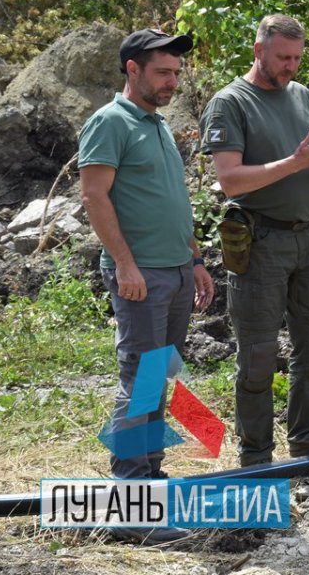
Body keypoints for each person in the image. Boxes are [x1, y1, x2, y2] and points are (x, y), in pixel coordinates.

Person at [78, 28, 215, 544]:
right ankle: (131, 504)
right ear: (132, 70)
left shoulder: (155, 123)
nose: (172, 82)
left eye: (177, 73)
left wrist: (195, 260)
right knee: (140, 381)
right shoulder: (109, 122)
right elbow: (95, 198)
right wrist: (126, 266)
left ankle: (150, 482)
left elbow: (170, 199)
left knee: (160, 375)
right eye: (163, 72)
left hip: (175, 271)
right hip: (141, 276)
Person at [199, 14, 309, 465]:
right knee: (259, 355)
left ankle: (307, 440)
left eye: (298, 58)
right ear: (259, 50)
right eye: (283, 57)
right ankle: (256, 454)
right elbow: (230, 181)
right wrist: (296, 164)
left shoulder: (302, 97)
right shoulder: (230, 103)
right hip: (260, 241)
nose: (291, 67)